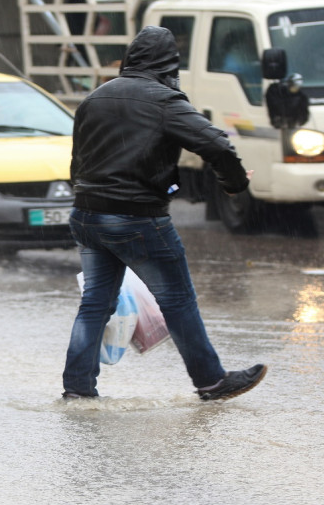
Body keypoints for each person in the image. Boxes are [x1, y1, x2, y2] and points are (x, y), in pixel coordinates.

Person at [63, 25, 268, 401]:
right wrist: (235, 184)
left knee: (95, 303)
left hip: (87, 214)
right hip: (137, 217)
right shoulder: (163, 100)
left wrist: (91, 194)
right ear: (170, 64)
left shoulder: (95, 98)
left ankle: (77, 389)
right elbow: (217, 145)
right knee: (178, 300)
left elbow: (77, 163)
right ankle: (212, 381)